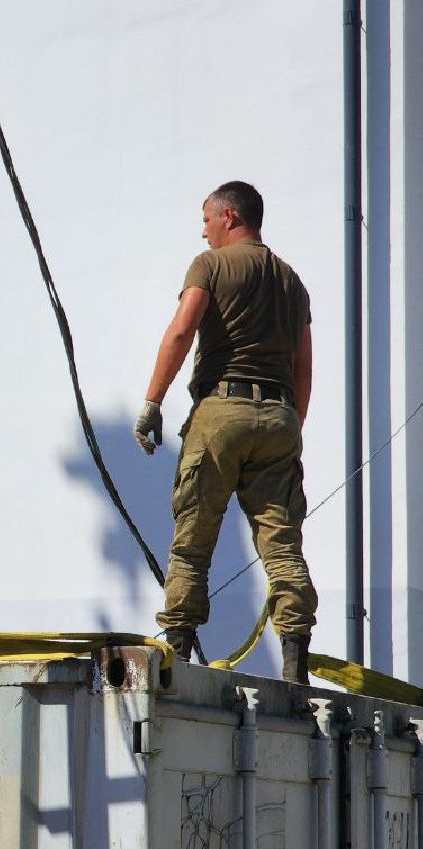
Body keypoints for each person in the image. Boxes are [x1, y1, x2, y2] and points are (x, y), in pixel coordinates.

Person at [134, 182, 317, 683]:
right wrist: (289, 426)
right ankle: (296, 658)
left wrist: (153, 402)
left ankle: (178, 645)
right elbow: (303, 366)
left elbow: (181, 330)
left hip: (222, 410)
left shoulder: (210, 265)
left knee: (194, 540)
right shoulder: (292, 281)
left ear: (230, 216)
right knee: (282, 544)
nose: (204, 229)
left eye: (208, 219)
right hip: (280, 416)